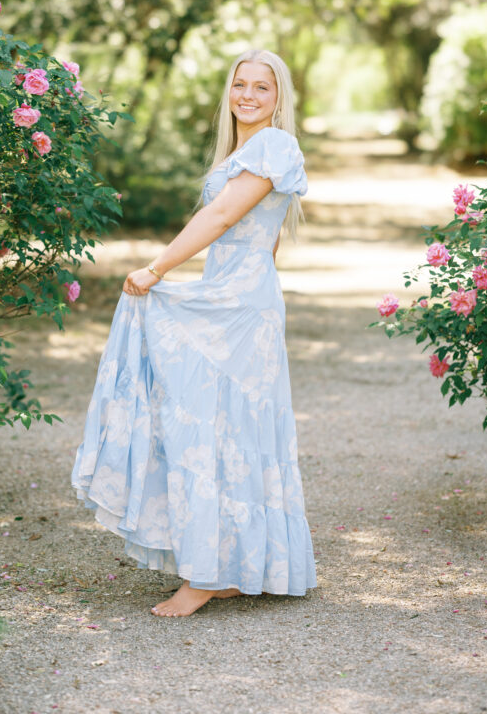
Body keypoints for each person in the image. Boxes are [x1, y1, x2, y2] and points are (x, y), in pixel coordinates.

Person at [71, 48, 317, 617]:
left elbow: (223, 219)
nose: (248, 96)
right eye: (240, 85)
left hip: (240, 306)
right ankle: (229, 563)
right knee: (212, 423)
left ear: (279, 98)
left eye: (262, 87)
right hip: (228, 297)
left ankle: (205, 575)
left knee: (222, 426)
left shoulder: (275, 145)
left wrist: (157, 269)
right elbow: (261, 234)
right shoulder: (241, 151)